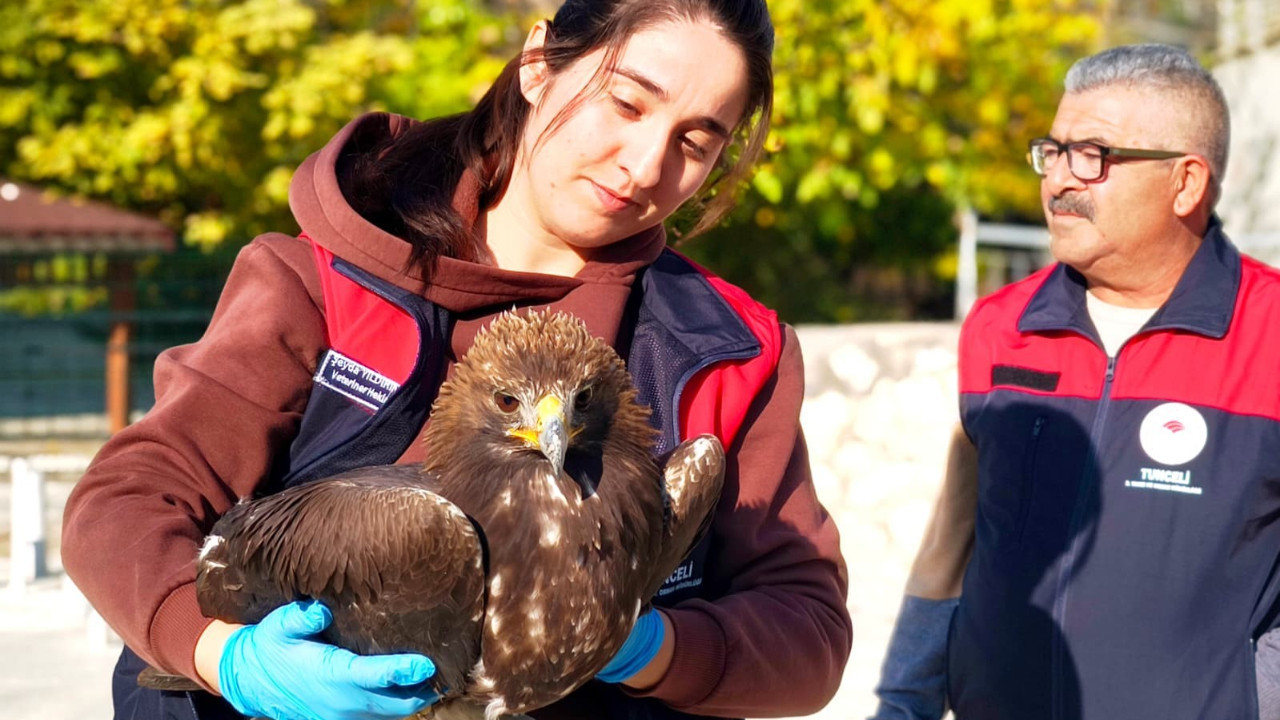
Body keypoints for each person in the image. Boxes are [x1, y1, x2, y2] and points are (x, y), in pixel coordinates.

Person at [60, 2, 852, 720]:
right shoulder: (319, 282)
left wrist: (647, 647)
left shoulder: (730, 352)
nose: (644, 166)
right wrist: (219, 654)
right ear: (538, 64)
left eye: (694, 142)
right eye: (627, 102)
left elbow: (806, 632)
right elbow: (128, 500)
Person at [872, 43, 1280, 719]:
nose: (1060, 179)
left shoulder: (1269, 335)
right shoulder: (1001, 325)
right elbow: (954, 536)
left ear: (1186, 182)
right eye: (1053, 152)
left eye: (1094, 155)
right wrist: (901, 703)